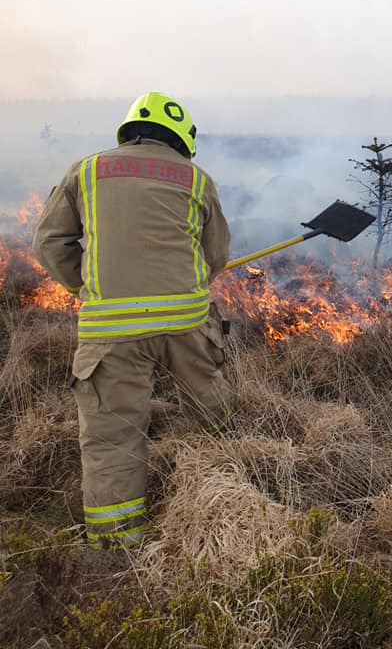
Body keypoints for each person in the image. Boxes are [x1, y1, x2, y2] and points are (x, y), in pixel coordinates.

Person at [33, 92, 233, 548]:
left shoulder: (85, 171)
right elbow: (216, 254)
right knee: (212, 411)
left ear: (129, 130)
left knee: (112, 440)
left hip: (112, 333)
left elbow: (50, 244)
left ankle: (116, 551)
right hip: (186, 324)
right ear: (182, 139)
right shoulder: (197, 179)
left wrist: (88, 287)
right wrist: (188, 280)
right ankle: (221, 499)